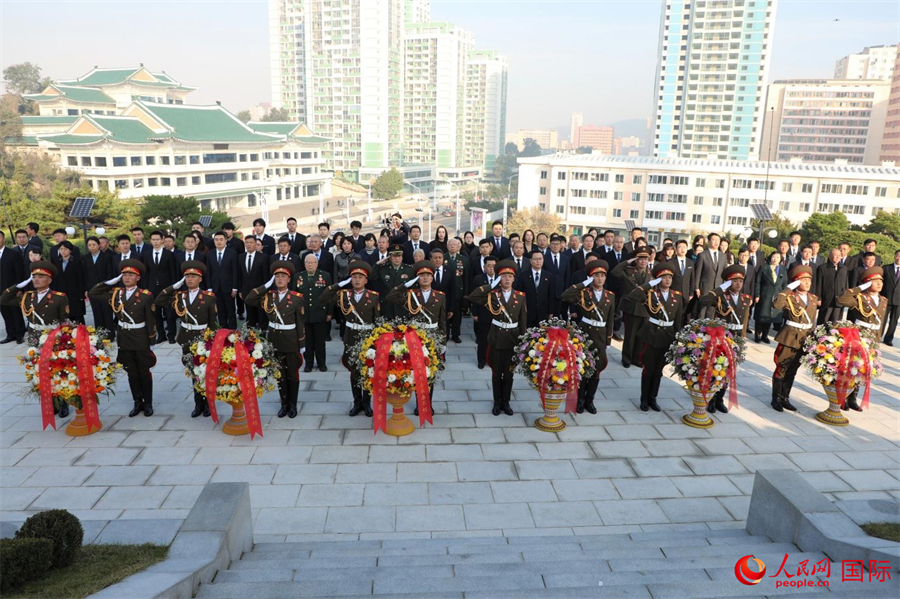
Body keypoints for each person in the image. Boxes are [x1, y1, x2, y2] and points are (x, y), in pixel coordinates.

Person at [90, 259, 157, 417]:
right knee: (131, 372)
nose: (127, 278)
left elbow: (151, 320)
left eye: (131, 275)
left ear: (138, 278)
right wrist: (109, 282)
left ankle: (148, 403)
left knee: (144, 371)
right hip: (124, 338)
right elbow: (94, 293)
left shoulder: (145, 296)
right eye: (124, 275)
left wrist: (152, 340)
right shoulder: (116, 294)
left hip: (140, 337)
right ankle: (137, 402)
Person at [2, 261, 70, 414]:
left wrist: (63, 341)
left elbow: (64, 322)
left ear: (49, 280)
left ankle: (63, 401)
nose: (36, 279)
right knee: (40, 369)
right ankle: (51, 402)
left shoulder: (59, 298)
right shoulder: (27, 297)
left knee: (58, 369)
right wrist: (19, 285)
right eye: (34, 277)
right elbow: (4, 299)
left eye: (41, 276)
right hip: (35, 337)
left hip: (53, 337)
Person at [155, 260, 217, 417]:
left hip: (203, 338)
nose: (190, 279)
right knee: (192, 370)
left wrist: (213, 341)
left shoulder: (208, 297)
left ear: (200, 279)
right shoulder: (179, 296)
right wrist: (175, 285)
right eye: (187, 277)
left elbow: (212, 322)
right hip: (187, 338)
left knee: (205, 372)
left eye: (193, 276)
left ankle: (208, 403)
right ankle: (198, 404)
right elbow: (159, 300)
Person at [386, 259, 448, 415]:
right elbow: (390, 297)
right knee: (416, 370)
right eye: (422, 275)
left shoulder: (440, 296)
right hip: (415, 337)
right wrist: (406, 285)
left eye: (428, 275)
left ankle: (428, 403)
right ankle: (419, 403)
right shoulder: (410, 295)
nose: (425, 278)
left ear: (433, 277)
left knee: (430, 371)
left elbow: (442, 321)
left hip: (433, 337)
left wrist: (443, 342)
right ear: (417, 278)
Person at [246, 261, 306, 418]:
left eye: (283, 276)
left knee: (292, 374)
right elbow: (249, 299)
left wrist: (302, 343)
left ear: (288, 279)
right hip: (274, 340)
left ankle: (293, 404)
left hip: (291, 339)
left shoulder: (296, 298)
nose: (280, 279)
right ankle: (284, 403)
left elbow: (300, 322)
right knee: (279, 374)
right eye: (277, 276)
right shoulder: (267, 297)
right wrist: (266, 286)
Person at [467, 259, 527, 416]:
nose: (506, 279)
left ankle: (506, 402)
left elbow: (522, 321)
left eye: (509, 276)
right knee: (496, 372)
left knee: (509, 373)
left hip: (512, 339)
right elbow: (473, 297)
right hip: (496, 337)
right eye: (503, 276)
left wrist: (523, 342)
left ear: (514, 278)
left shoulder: (520, 297)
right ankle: (497, 402)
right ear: (499, 278)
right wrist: (491, 285)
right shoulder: (492, 295)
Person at [320, 261, 380, 417]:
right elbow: (323, 298)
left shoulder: (373, 297)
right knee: (354, 372)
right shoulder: (343, 295)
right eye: (354, 277)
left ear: (366, 280)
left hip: (367, 338)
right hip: (351, 336)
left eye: (360, 277)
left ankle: (367, 403)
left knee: (367, 371)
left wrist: (377, 342)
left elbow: (377, 321)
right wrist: (339, 284)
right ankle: (357, 402)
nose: (357, 280)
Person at [628, 262, 683, 412]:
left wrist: (678, 339)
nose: (667, 280)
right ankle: (644, 398)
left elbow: (678, 320)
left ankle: (653, 398)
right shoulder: (651, 294)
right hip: (651, 335)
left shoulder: (677, 296)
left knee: (659, 369)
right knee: (648, 368)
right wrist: (650, 284)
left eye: (669, 277)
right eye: (663, 277)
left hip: (667, 336)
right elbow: (633, 295)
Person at [561, 260, 614, 414]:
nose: (599, 278)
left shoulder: (610, 296)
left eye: (602, 276)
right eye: (596, 275)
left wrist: (608, 339)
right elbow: (565, 295)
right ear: (591, 277)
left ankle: (590, 400)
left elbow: (610, 319)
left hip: (600, 335)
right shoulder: (583, 293)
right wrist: (584, 283)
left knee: (596, 371)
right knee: (583, 369)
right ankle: (579, 400)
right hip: (585, 334)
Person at [699, 264, 752, 413]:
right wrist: (720, 288)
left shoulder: (746, 299)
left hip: (736, 338)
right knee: (717, 367)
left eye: (740, 281)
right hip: (722, 336)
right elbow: (703, 301)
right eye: (734, 281)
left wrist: (743, 335)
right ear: (728, 282)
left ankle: (720, 399)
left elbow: (745, 318)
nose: (738, 284)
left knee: (729, 370)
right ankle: (711, 399)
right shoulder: (721, 297)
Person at [836, 266, 886, 411]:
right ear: (867, 283)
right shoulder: (860, 298)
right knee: (853, 367)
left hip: (873, 337)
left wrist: (878, 339)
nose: (879, 284)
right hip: (860, 335)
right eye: (875, 281)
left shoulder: (883, 300)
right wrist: (859, 288)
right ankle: (843, 398)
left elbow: (880, 321)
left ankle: (853, 398)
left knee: (864, 369)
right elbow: (842, 299)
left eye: (880, 281)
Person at [770, 264, 817, 412]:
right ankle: (775, 398)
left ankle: (785, 398)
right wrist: (788, 288)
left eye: (809, 279)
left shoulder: (813, 298)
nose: (807, 283)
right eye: (803, 280)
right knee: (782, 367)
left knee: (793, 369)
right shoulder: (789, 297)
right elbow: (777, 305)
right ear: (796, 281)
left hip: (804, 338)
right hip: (790, 336)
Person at [611, 248, 650, 368]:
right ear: (636, 260)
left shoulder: (651, 273)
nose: (643, 262)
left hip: (645, 308)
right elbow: (614, 272)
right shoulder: (629, 271)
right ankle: (626, 359)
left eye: (645, 259)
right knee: (630, 335)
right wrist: (628, 262)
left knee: (641, 336)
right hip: (632, 307)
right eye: (640, 259)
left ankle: (636, 359)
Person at [295, 253, 332, 372]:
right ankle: (308, 363)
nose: (310, 265)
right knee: (307, 341)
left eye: (312, 262)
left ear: (317, 263)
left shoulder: (325, 276)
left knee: (320, 341)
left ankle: (322, 363)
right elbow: (294, 296)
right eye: (308, 263)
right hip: (304, 315)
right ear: (304, 264)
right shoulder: (298, 277)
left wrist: (329, 313)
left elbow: (330, 296)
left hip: (319, 314)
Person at [144, 231, 177, 343]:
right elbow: (146, 273)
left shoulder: (169, 254)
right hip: (152, 288)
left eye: (157, 239)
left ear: (162, 240)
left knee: (169, 314)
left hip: (166, 288)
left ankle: (171, 335)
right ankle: (161, 335)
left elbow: (173, 272)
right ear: (150, 241)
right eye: (153, 240)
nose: (155, 242)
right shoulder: (147, 254)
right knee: (156, 314)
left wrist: (173, 288)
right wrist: (146, 288)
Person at [82, 236, 116, 335]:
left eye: (94, 245)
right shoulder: (85, 258)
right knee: (96, 312)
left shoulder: (107, 257)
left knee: (106, 311)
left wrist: (108, 287)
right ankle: (100, 333)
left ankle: (110, 334)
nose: (92, 247)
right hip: (92, 289)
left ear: (98, 245)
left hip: (104, 288)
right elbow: (85, 274)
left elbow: (110, 274)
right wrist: (86, 289)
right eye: (89, 245)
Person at [515, 249, 556, 327]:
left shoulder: (548, 275)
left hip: (543, 312)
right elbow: (519, 294)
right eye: (535, 259)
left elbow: (551, 294)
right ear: (530, 261)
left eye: (540, 259)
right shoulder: (523, 275)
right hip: (528, 312)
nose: (538, 261)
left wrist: (551, 312)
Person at [206, 232, 239, 329]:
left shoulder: (232, 253)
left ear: (226, 241)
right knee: (220, 312)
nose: (219, 242)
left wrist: (235, 287)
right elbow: (208, 272)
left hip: (228, 288)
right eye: (216, 240)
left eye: (221, 239)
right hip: (215, 288)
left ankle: (233, 332)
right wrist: (209, 288)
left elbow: (235, 272)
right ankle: (222, 331)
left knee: (231, 311)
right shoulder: (210, 254)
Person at [470, 255, 497, 369]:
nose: (491, 268)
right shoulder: (478, 279)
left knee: (496, 339)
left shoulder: (501, 279)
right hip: (482, 312)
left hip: (497, 313)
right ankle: (481, 360)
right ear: (484, 267)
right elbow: (473, 297)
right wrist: (474, 313)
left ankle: (493, 360)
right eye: (488, 266)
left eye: (493, 266)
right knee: (482, 339)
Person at [372, 243, 412, 320]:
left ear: (402, 257)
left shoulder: (409, 270)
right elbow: (372, 277)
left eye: (399, 256)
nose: (397, 258)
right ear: (390, 257)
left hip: (402, 307)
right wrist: (377, 264)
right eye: (394, 256)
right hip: (387, 307)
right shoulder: (383, 269)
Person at [0, 231, 27, 343]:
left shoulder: (12, 254)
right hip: (0, 291)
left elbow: (19, 273)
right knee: (5, 313)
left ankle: (19, 334)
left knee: (15, 311)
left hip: (12, 289)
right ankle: (10, 334)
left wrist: (19, 289)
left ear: (3, 239)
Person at [754, 252, 787, 343]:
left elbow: (784, 284)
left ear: (780, 259)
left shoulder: (783, 269)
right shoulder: (764, 267)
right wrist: (757, 295)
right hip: (764, 295)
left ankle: (765, 335)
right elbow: (758, 282)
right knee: (761, 315)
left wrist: (783, 296)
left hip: (776, 296)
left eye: (777, 257)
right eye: (773, 257)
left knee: (770, 317)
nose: (775, 259)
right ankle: (757, 334)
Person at [693, 233, 727, 318]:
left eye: (718, 240)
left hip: (717, 288)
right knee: (702, 311)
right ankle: (699, 329)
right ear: (709, 241)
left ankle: (709, 330)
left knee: (711, 311)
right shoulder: (703, 255)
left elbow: (725, 273)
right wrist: (697, 287)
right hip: (705, 287)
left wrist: (724, 287)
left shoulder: (723, 256)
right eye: (714, 239)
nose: (716, 242)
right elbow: (698, 273)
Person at [52, 240, 86, 324]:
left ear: (70, 250)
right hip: (61, 292)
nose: (63, 251)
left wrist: (81, 293)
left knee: (77, 316)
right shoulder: (57, 262)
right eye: (61, 249)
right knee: (64, 315)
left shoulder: (77, 262)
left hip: (74, 292)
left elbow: (81, 278)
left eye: (65, 249)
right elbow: (55, 279)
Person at [815, 248, 848, 325]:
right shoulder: (822, 268)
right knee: (824, 320)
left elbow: (846, 284)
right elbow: (819, 284)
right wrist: (818, 298)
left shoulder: (844, 268)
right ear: (829, 256)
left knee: (836, 322)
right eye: (834, 255)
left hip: (839, 299)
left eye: (838, 256)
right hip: (827, 298)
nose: (836, 257)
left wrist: (846, 297)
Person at [445, 238, 469, 340]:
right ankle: (445, 334)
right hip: (446, 291)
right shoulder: (443, 258)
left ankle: (456, 335)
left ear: (458, 246)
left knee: (457, 316)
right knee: (445, 314)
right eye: (450, 244)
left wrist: (466, 293)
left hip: (458, 291)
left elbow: (467, 277)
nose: (452, 246)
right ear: (447, 246)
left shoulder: (463, 259)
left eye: (454, 244)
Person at [546, 235, 571, 318]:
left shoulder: (566, 259)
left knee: (560, 316)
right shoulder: (544, 258)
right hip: (548, 292)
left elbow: (567, 276)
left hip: (561, 292)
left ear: (561, 245)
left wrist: (566, 292)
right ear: (550, 245)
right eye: (553, 244)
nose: (555, 246)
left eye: (557, 244)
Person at [883, 250, 900, 346]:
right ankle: (878, 336)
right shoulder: (886, 268)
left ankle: (888, 339)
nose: (899, 258)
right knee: (882, 320)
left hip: (899, 300)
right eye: (898, 256)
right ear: (894, 256)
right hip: (886, 298)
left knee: (894, 321)